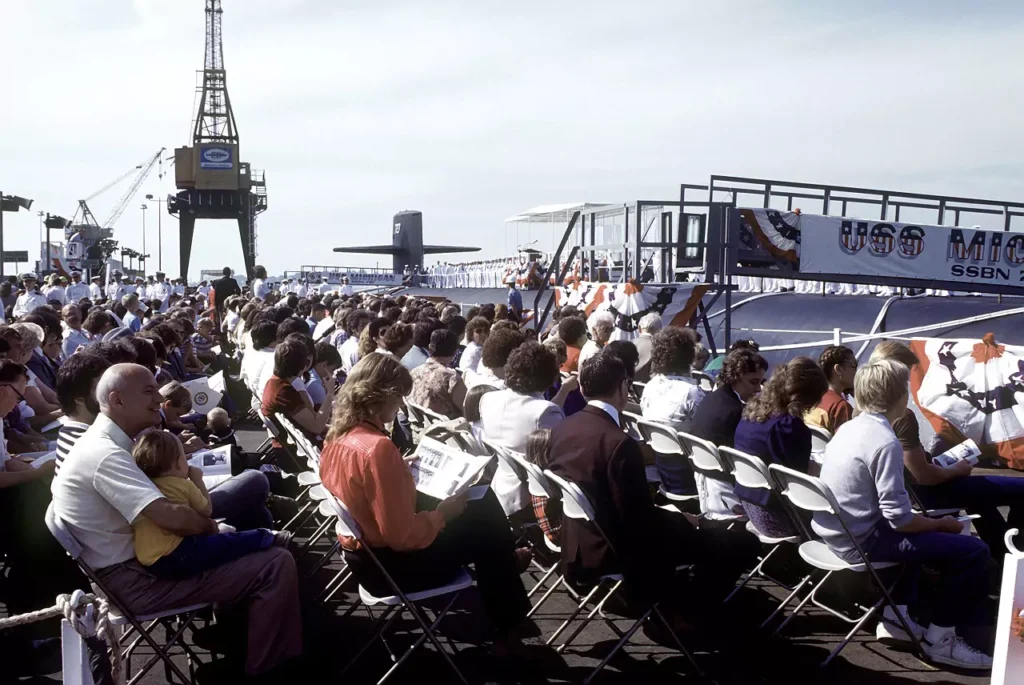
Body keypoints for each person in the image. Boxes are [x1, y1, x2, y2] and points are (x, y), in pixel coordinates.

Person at [49, 364, 301, 677]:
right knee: (276, 563)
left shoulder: (106, 443)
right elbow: (169, 517)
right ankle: (265, 670)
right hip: (138, 581)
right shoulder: (105, 453)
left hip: (136, 569)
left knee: (251, 527)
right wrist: (210, 527)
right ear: (117, 400)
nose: (159, 396)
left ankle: (239, 644)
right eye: (148, 391)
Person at [318, 353, 531, 653]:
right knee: (484, 520)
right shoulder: (377, 449)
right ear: (383, 397)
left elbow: (360, 487)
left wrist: (398, 469)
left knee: (483, 516)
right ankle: (508, 620)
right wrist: (441, 515)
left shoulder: (338, 436)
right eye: (399, 398)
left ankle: (507, 587)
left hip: (363, 558)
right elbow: (401, 536)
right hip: (394, 567)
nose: (401, 405)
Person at [547, 352, 758, 624]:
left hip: (578, 543)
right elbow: (638, 521)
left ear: (583, 388)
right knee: (742, 543)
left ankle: (676, 606)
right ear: (623, 387)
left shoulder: (564, 428)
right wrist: (682, 521)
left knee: (707, 536)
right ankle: (687, 614)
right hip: (617, 550)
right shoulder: (618, 443)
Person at [815, 358, 992, 670]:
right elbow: (900, 520)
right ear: (899, 396)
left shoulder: (849, 428)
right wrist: (943, 525)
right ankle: (941, 641)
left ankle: (898, 619)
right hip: (863, 541)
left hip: (838, 532)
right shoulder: (885, 442)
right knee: (973, 551)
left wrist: (928, 526)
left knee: (921, 531)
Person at [871, 340, 1024, 562]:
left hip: (902, 492)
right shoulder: (902, 416)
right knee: (1020, 489)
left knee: (981, 499)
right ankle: (1015, 555)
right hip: (923, 495)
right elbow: (922, 476)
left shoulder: (862, 411)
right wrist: (958, 470)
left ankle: (1000, 556)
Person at [131, 430, 286, 580]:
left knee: (258, 514)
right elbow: (206, 510)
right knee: (227, 543)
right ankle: (268, 537)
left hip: (149, 561)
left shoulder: (147, 486)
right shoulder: (183, 484)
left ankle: (268, 543)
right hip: (177, 553)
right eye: (184, 458)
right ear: (177, 465)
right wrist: (197, 480)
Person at [733, 357, 828, 538]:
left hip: (751, 507)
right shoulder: (788, 427)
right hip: (779, 518)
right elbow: (798, 483)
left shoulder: (751, 413)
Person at [479, 341, 564, 516]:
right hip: (532, 496)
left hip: (499, 486)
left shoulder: (487, 399)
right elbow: (562, 457)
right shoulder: (545, 412)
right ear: (549, 375)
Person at [262, 339, 335, 439]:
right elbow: (316, 427)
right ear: (301, 366)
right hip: (298, 448)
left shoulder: (274, 382)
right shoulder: (284, 392)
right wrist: (330, 394)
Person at [54, 353, 111, 475]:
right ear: (79, 399)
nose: (111, 392)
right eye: (103, 387)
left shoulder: (70, 432)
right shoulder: (92, 447)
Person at [640, 326, 705, 431]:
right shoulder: (692, 392)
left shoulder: (650, 385)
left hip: (653, 444)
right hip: (682, 446)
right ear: (689, 355)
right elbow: (706, 426)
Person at [409, 329, 467, 418]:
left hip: (421, 426)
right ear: (455, 352)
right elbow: (466, 411)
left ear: (429, 348)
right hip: (447, 428)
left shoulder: (414, 372)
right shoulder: (451, 378)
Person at [807, 345, 856, 433]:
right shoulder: (840, 406)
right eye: (853, 365)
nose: (856, 371)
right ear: (838, 369)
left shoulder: (810, 400)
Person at [632, 312, 662, 383]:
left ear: (639, 328)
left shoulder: (627, 344)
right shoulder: (660, 348)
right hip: (646, 390)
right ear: (659, 331)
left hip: (626, 390)